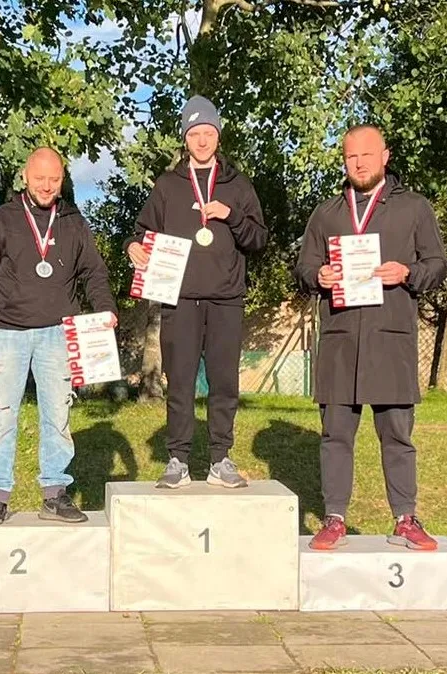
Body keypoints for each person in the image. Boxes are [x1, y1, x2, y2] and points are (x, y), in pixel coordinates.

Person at [293, 124, 447, 550]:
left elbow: (437, 264)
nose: (359, 163)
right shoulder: (326, 213)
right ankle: (334, 518)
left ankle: (405, 518)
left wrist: (408, 273)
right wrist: (318, 276)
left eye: (366, 154)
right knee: (335, 434)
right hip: (340, 339)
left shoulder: (414, 208)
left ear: (385, 156)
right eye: (351, 157)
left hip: (390, 339)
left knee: (397, 434)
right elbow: (303, 267)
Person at [0, 146, 118, 525]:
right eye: (39, 178)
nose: (47, 186)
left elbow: (93, 271)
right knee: (2, 416)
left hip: (59, 333)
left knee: (58, 416)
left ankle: (55, 494)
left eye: (54, 179)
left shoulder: (73, 221)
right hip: (7, 332)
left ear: (63, 180)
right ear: (25, 177)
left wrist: (105, 308)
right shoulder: (3, 219)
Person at [125, 96, 268, 489]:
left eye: (208, 133)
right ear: (185, 138)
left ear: (218, 136)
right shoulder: (168, 185)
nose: (202, 141)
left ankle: (221, 459)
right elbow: (141, 233)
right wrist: (133, 247)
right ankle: (178, 460)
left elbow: (258, 238)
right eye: (194, 134)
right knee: (180, 382)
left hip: (226, 299)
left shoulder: (238, 185)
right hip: (180, 299)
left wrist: (231, 215)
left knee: (224, 382)